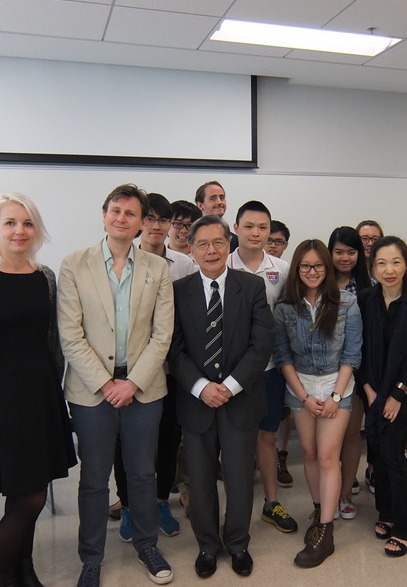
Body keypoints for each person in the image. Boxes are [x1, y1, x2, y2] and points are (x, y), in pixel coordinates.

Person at [0, 193, 76, 587]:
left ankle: (24, 568)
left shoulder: (46, 278)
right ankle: (1, 577)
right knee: (28, 497)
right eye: (10, 222)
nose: (19, 230)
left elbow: (52, 342)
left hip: (39, 397)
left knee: (29, 491)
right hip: (1, 402)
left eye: (27, 223)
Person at [58, 184, 175, 587]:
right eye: (115, 211)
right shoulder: (74, 264)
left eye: (131, 213)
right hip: (92, 392)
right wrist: (108, 384)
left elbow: (163, 335)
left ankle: (147, 544)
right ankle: (91, 558)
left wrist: (132, 383)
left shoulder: (158, 269)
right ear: (104, 214)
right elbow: (70, 336)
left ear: (143, 222)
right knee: (94, 478)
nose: (122, 218)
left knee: (143, 473)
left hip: (144, 388)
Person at [169, 215, 273, 579]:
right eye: (202, 244)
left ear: (229, 245)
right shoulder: (178, 291)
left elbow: (261, 347)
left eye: (217, 242)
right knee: (199, 481)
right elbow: (173, 349)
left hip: (240, 400)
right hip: (195, 401)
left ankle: (238, 543)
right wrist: (201, 387)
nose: (210, 250)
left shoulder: (252, 286)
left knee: (240, 477)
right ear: (191, 249)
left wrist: (229, 386)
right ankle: (208, 545)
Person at [109, 194, 196, 540]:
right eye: (153, 219)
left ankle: (161, 501)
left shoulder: (184, 264)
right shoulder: (124, 260)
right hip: (129, 370)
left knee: (168, 439)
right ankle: (129, 505)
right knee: (124, 443)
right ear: (142, 222)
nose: (158, 225)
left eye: (165, 219)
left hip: (171, 368)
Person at [273, 239, 362, 567]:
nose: (312, 271)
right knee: (309, 453)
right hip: (301, 389)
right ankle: (318, 508)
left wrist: (336, 397)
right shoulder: (285, 308)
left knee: (327, 457)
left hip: (338, 387)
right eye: (305, 266)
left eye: (318, 266)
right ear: (297, 269)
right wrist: (304, 396)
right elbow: (283, 357)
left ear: (327, 268)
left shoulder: (347, 303)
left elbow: (352, 355)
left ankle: (326, 530)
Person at [357, 237, 407, 557]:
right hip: (372, 389)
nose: (389, 270)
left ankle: (406, 529)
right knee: (377, 453)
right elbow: (357, 348)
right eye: (381, 263)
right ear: (372, 267)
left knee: (391, 452)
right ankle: (386, 513)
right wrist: (370, 390)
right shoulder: (364, 300)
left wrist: (396, 395)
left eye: (396, 262)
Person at [228, 201, 298, 534]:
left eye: (262, 228)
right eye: (249, 226)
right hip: (227, 372)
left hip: (268, 369)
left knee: (266, 437)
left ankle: (271, 504)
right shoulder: (220, 264)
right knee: (231, 440)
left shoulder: (281, 270)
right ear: (235, 228)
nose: (256, 233)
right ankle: (232, 508)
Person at [327, 226, 371, 519]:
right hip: (320, 372)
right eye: (339, 251)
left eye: (351, 252)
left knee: (352, 433)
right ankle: (326, 494)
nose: (345, 258)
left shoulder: (369, 289)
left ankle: (344, 494)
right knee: (328, 441)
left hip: (356, 370)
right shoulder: (319, 282)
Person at [356, 219, 384, 492]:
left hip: (379, 361)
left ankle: (375, 468)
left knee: (375, 419)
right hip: (352, 359)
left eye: (374, 238)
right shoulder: (349, 272)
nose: (369, 243)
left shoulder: (386, 273)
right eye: (364, 238)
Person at [266, 219, 294, 488]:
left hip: (282, 352)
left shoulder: (286, 270)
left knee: (282, 411)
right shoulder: (232, 261)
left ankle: (281, 455)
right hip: (251, 356)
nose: (273, 245)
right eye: (269, 240)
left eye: (279, 241)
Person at [195, 180, 238, 249]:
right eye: (212, 198)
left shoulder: (235, 241)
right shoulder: (191, 236)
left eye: (222, 198)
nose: (219, 202)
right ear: (200, 205)